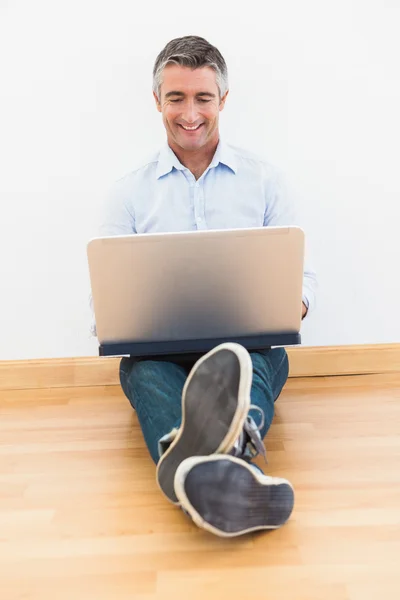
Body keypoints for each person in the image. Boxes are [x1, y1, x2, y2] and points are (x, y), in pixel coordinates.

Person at [94, 35, 317, 538]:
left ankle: (192, 469)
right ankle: (240, 473)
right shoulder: (128, 191)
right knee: (147, 375)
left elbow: (304, 281)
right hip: (158, 354)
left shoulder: (265, 181)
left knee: (256, 367)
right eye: (175, 98)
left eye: (202, 98)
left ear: (223, 100)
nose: (189, 112)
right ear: (157, 101)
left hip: (246, 347)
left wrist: (292, 302)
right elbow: (104, 299)